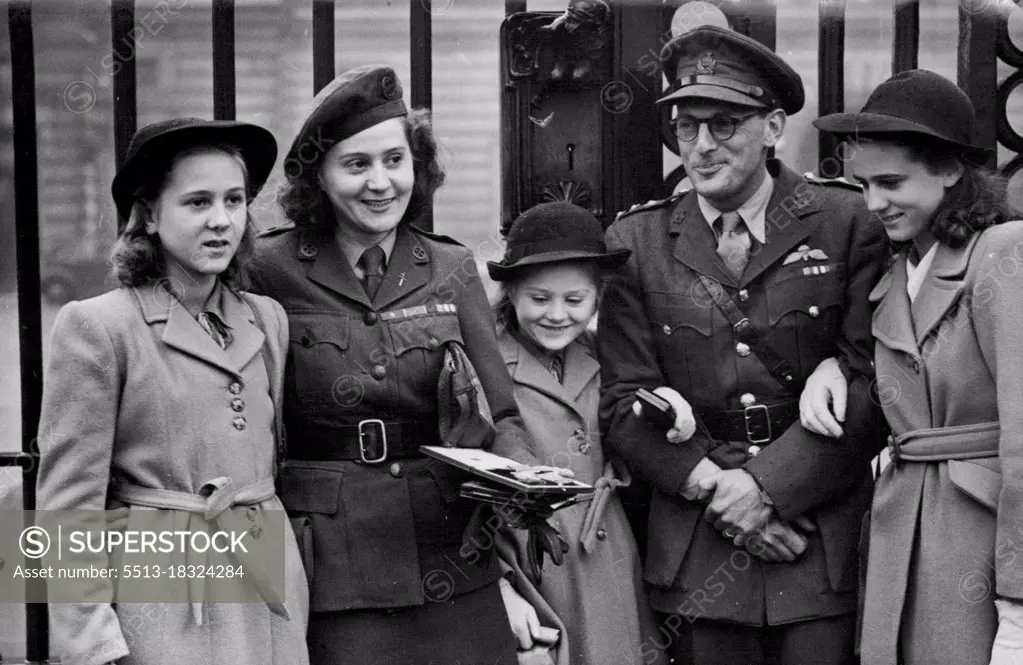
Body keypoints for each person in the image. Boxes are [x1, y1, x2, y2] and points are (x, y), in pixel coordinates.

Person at [248, 64, 560, 665]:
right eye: (356, 165)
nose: (380, 183)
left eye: (394, 160)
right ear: (320, 177)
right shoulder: (269, 270)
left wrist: (527, 479)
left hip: (452, 553)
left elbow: (500, 415)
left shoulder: (451, 267)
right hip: (335, 569)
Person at [597, 25, 888, 665]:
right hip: (699, 543)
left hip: (815, 539)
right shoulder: (636, 242)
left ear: (775, 125)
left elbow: (875, 385)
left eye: (724, 124)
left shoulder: (844, 223)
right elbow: (622, 400)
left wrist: (768, 489)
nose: (701, 146)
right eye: (685, 126)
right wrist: (726, 495)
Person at [35, 118, 309, 665]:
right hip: (165, 595)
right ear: (151, 215)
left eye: (234, 200)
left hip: (266, 588)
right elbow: (68, 506)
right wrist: (93, 641)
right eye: (197, 202)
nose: (221, 221)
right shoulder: (99, 326)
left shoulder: (267, 319)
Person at [800, 68, 1023, 665]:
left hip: (977, 540)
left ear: (951, 170)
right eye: (862, 184)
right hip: (904, 525)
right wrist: (831, 368)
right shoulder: (898, 270)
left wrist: (1018, 605)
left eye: (891, 182)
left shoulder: (1002, 254)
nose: (873, 204)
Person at [487, 201, 668, 665]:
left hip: (609, 548)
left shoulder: (605, 356)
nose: (557, 315)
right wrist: (500, 584)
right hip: (534, 558)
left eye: (575, 300)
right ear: (510, 293)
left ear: (597, 299)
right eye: (539, 299)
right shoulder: (483, 366)